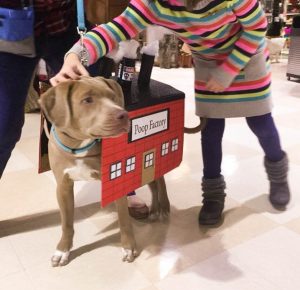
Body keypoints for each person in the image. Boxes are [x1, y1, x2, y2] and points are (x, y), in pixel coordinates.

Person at [51, 0, 290, 226]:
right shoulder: (153, 4)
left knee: (261, 123)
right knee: (211, 130)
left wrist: (228, 70)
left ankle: (278, 175)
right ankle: (213, 195)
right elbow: (116, 28)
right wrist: (75, 55)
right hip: (208, 62)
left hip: (247, 57)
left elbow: (257, 27)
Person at [0, 0, 148, 220]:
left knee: (102, 105)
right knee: (5, 125)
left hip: (66, 24)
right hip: (10, 31)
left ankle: (123, 184)